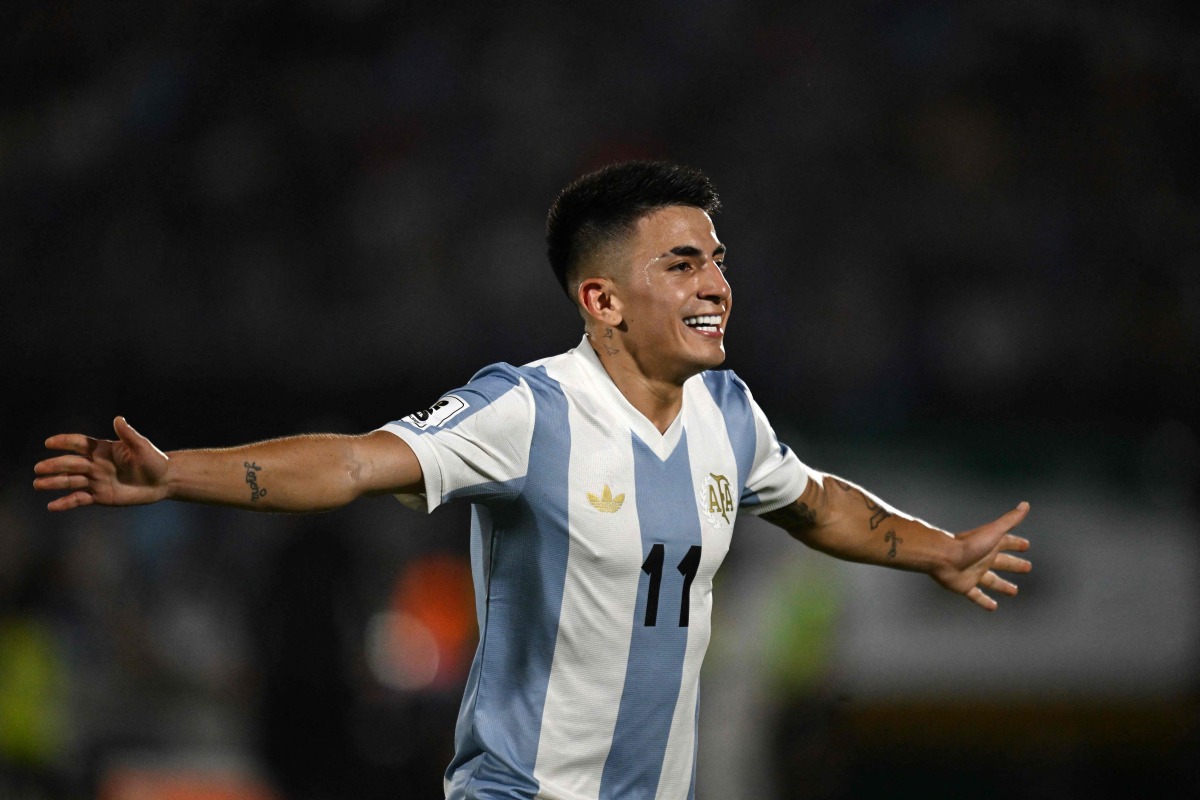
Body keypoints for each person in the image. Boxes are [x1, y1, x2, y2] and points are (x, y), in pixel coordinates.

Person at [33, 161, 1032, 800]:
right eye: (682, 264)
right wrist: (179, 475)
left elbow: (819, 503)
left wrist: (942, 548)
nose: (716, 284)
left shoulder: (731, 412)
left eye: (717, 260)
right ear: (601, 298)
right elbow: (350, 459)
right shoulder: (528, 410)